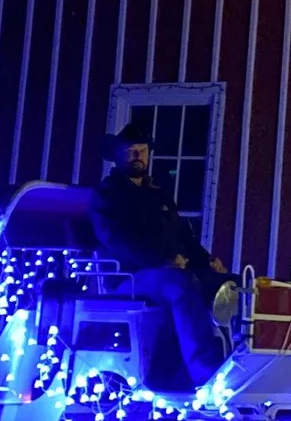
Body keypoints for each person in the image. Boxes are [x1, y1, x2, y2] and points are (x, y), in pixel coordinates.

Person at [89, 129, 229, 382]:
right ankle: (206, 374)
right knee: (180, 284)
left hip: (166, 270)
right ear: (117, 157)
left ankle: (239, 366)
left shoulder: (158, 193)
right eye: (129, 151)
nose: (136, 156)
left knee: (232, 286)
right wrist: (160, 261)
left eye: (141, 150)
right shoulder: (107, 195)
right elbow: (116, 239)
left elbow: (182, 236)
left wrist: (206, 260)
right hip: (128, 277)